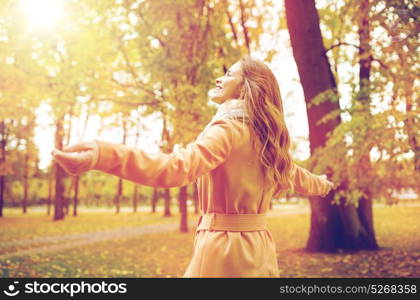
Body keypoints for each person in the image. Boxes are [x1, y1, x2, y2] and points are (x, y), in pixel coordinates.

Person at [52, 55, 334, 278]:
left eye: (228, 74)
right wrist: (324, 184)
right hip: (260, 248)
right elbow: (299, 176)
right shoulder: (267, 141)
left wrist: (103, 156)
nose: (219, 79)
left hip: (224, 252)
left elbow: (176, 169)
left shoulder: (229, 128)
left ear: (246, 86)